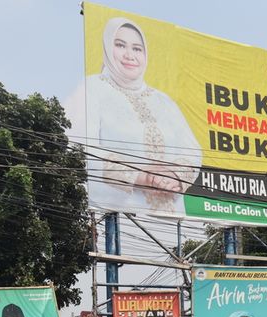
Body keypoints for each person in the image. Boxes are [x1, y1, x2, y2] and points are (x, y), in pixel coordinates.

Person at [85, 16, 202, 213]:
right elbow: (84, 149)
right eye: (120, 45)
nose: (129, 55)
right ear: (106, 47)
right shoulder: (93, 88)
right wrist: (142, 177)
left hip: (174, 215)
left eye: (137, 49)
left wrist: (175, 176)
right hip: (117, 213)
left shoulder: (164, 101)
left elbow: (193, 151)